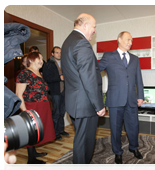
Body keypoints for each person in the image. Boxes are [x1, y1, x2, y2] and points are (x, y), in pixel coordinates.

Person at [61, 13, 105, 170]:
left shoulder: (68, 41)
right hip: (85, 104)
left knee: (81, 139)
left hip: (74, 103)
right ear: (85, 25)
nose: (94, 31)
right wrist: (99, 105)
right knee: (84, 142)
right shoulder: (82, 43)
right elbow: (89, 78)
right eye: (94, 27)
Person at [98, 31, 144, 165]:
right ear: (119, 39)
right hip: (115, 99)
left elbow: (138, 79)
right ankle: (117, 152)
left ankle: (134, 148)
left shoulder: (135, 59)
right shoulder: (108, 56)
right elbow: (95, 71)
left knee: (134, 126)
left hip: (131, 99)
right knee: (115, 127)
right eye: (128, 40)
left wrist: (140, 96)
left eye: (131, 41)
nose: (130, 43)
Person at [15, 52, 56, 167]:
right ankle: (31, 159)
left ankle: (34, 152)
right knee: (31, 132)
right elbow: (18, 95)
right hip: (32, 107)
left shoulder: (39, 73)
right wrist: (25, 112)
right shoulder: (24, 73)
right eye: (39, 58)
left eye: (42, 59)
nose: (42, 61)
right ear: (31, 60)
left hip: (43, 106)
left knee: (38, 131)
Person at [43, 46, 69, 140]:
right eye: (57, 52)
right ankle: (54, 133)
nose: (59, 54)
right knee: (56, 112)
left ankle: (61, 130)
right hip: (55, 92)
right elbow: (46, 78)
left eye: (60, 52)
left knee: (62, 112)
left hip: (64, 91)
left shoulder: (64, 63)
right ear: (52, 54)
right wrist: (59, 78)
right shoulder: (48, 64)